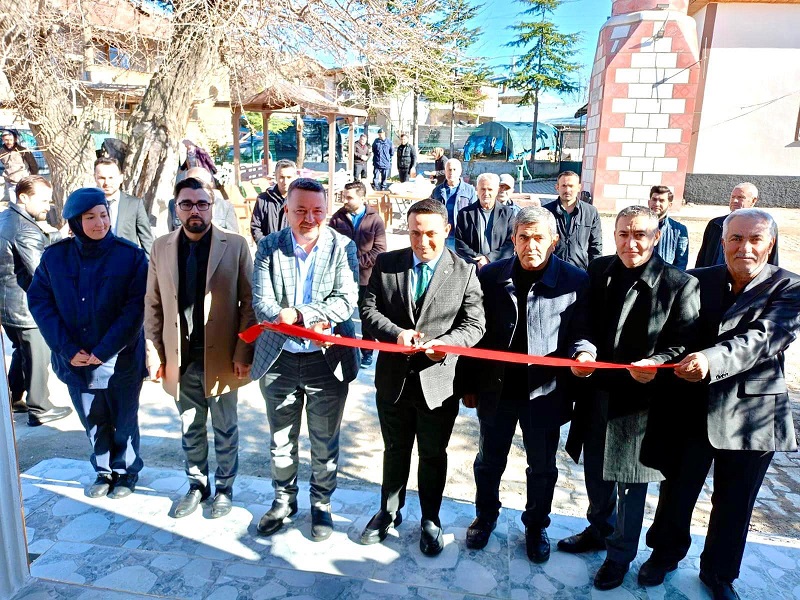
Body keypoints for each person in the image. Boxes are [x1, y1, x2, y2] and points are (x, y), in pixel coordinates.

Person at [639, 208, 800, 600]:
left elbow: (764, 339)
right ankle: (664, 555)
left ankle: (719, 572)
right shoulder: (697, 280)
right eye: (735, 238)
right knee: (678, 489)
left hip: (753, 416)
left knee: (735, 501)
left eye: (755, 239)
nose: (744, 247)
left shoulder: (789, 287)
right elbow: (671, 332)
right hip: (692, 407)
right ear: (723, 242)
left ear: (770, 244)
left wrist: (711, 359)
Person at [563, 205, 699, 591]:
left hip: (641, 402)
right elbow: (584, 322)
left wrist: (655, 362)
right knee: (595, 474)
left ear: (656, 237)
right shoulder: (600, 270)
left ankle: (620, 556)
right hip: (597, 392)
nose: (630, 242)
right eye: (623, 234)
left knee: (630, 483)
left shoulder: (678, 283)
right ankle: (598, 530)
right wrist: (583, 352)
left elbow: (684, 342)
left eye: (640, 234)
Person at [460, 206, 594, 563]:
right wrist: (468, 384)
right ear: (513, 239)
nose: (530, 245)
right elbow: (476, 333)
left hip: (545, 393)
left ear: (554, 240)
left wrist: (583, 354)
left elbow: (580, 332)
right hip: (496, 388)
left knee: (543, 468)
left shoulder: (575, 280)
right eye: (523, 237)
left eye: (538, 238)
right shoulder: (489, 276)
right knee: (489, 461)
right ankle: (485, 517)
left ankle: (536, 525)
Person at [359, 199, 485, 556]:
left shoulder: (464, 272)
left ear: (446, 231)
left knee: (432, 453)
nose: (422, 241)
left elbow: (475, 324)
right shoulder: (388, 264)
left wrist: (447, 344)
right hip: (393, 381)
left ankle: (431, 518)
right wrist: (395, 333)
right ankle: (389, 512)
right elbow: (368, 310)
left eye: (431, 234)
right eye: (415, 233)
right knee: (395, 449)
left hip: (438, 384)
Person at [250, 178, 359, 541]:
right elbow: (262, 303)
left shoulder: (343, 247)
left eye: (316, 210)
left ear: (326, 211)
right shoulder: (268, 246)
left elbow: (345, 301)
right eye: (300, 210)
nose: (308, 217)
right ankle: (283, 500)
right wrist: (295, 316)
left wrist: (299, 314)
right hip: (279, 359)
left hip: (326, 362)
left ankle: (321, 504)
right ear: (286, 210)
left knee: (325, 440)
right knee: (281, 438)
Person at [145, 177, 255, 519]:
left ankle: (224, 488)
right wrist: (154, 351)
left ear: (212, 206)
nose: (195, 210)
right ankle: (197, 484)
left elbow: (249, 305)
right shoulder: (161, 246)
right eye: (187, 204)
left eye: (202, 204)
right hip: (181, 359)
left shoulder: (234, 245)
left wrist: (242, 353)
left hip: (222, 359)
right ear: (176, 208)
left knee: (225, 428)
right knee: (190, 427)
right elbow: (153, 304)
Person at [27, 188, 148, 499]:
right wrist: (66, 349)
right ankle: (104, 471)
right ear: (75, 223)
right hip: (75, 360)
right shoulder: (55, 257)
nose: (99, 223)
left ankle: (125, 472)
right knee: (93, 420)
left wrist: (102, 351)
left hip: (118, 360)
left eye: (103, 215)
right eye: (90, 217)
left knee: (123, 419)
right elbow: (39, 301)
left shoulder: (130, 255)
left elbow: (135, 310)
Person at [0, 176, 72, 424]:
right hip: (26, 308)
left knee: (22, 352)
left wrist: (57, 238)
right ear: (23, 197)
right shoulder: (25, 228)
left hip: (8, 306)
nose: (48, 206)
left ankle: (14, 397)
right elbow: (41, 272)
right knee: (38, 356)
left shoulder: (6, 218)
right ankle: (40, 407)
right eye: (43, 200)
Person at [328, 180, 387, 368]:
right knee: (339, 313)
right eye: (344, 196)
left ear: (362, 198)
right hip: (340, 277)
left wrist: (356, 264)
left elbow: (379, 249)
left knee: (366, 315)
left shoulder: (375, 219)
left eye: (349, 197)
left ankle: (367, 351)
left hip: (366, 278)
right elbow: (328, 244)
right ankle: (341, 349)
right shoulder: (337, 219)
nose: (345, 200)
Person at [695, 182, 779, 268]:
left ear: (753, 201)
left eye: (740, 197)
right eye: (733, 197)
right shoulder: (715, 224)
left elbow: (772, 259)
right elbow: (703, 256)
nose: (735, 201)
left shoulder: (766, 225)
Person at [93, 157, 154, 258]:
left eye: (111, 177)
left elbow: (147, 240)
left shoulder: (134, 204)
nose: (106, 183)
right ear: (95, 178)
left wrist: (150, 268)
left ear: (121, 178)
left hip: (128, 265)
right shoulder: (88, 205)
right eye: (102, 178)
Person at [543, 171, 602, 270]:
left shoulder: (590, 212)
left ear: (579, 187)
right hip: (551, 270)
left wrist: (595, 272)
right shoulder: (545, 211)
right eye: (564, 186)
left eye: (571, 186)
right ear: (557, 187)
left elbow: (596, 247)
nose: (567, 190)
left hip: (580, 271)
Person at [454, 173, 514, 270]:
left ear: (497, 190)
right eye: (482, 189)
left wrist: (489, 258)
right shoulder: (464, 214)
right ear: (477, 189)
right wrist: (478, 259)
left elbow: (511, 243)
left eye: (490, 189)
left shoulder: (507, 213)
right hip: (472, 268)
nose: (486, 193)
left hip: (500, 268)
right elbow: (459, 243)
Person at [167, 167, 239, 233]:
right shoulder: (174, 204)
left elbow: (234, 238)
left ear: (210, 184)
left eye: (199, 183)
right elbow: (171, 234)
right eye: (190, 182)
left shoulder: (225, 207)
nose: (194, 187)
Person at [429, 158, 477, 248]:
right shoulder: (437, 191)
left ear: (460, 171)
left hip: (461, 236)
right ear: (445, 172)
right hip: (442, 236)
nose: (451, 172)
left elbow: (475, 213)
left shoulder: (469, 190)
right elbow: (430, 212)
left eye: (454, 169)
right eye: (449, 169)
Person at [250, 159, 297, 242]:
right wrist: (265, 246)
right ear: (276, 177)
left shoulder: (300, 200)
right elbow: (255, 227)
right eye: (282, 177)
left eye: (289, 177)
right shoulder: (263, 199)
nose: (285, 182)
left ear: (295, 178)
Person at [648, 185, 689, 269]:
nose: (657, 204)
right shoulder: (637, 225)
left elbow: (681, 264)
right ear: (649, 202)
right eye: (654, 199)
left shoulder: (679, 230)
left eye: (662, 200)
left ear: (670, 205)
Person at [0, 129, 39, 203]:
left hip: (22, 181)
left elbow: (33, 165)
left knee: (24, 203)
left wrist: (32, 178)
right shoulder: (1, 152)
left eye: (10, 140)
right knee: (14, 203)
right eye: (6, 140)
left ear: (15, 139)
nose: (8, 142)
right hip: (10, 182)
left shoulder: (23, 151)